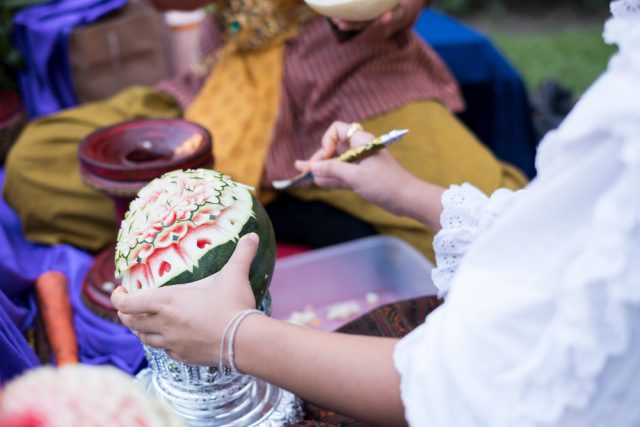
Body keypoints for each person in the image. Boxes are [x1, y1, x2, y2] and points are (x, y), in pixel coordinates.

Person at [112, 2, 640, 425]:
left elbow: (464, 389)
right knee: (36, 161)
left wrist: (235, 336)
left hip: (352, 73)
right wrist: (405, 190)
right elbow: (543, 243)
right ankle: (312, 210)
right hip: (230, 69)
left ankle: (310, 215)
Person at [3, 0, 526, 261]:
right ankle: (280, 209)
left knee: (496, 228)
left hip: (350, 82)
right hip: (221, 84)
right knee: (38, 164)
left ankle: (254, 215)